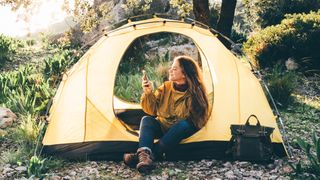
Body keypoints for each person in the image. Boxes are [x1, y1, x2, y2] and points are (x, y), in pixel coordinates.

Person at [123, 55, 210, 173]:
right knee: (147, 120)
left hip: (181, 132)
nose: (170, 70)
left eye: (174, 69)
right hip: (164, 128)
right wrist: (148, 93)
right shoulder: (166, 87)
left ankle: (146, 155)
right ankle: (145, 155)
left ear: (184, 74)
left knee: (184, 125)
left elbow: (197, 121)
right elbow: (151, 111)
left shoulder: (196, 91)